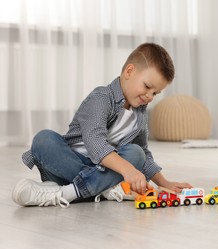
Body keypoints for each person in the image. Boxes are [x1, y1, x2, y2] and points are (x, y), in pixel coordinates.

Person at [12, 42, 193, 208]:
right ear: (129, 72)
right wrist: (128, 171)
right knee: (43, 140)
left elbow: (143, 152)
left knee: (136, 153)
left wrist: (163, 182)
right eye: (147, 86)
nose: (149, 96)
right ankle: (104, 189)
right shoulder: (101, 98)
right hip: (69, 164)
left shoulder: (140, 114)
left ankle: (68, 192)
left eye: (156, 93)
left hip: (105, 170)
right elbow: (95, 142)